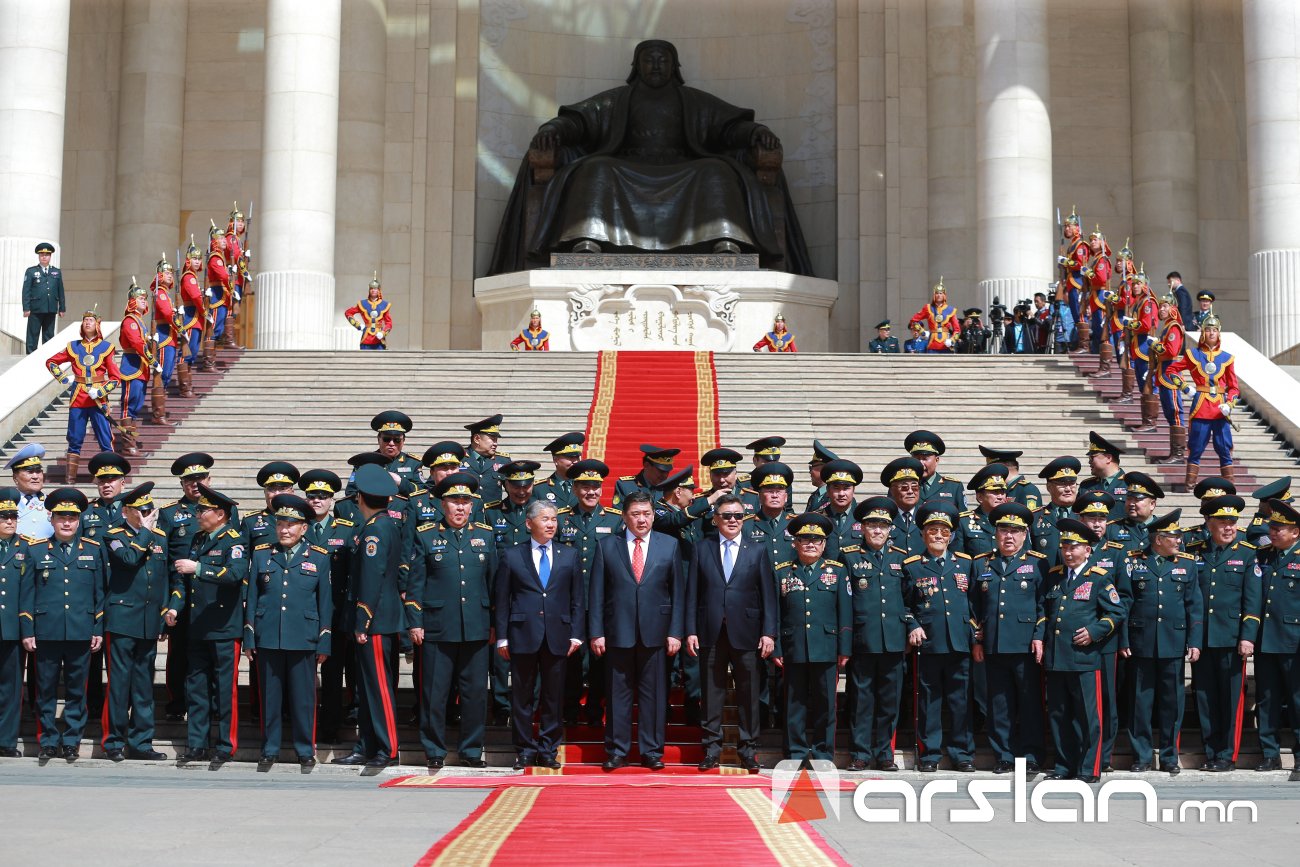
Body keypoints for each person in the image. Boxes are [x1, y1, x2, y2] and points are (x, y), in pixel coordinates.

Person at [490, 39, 813, 274]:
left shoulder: (692, 100)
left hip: (683, 167)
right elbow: (579, 121)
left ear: (674, 67)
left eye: (663, 59)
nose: (656, 65)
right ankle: (588, 239)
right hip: (626, 166)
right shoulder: (617, 100)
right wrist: (553, 129)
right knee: (596, 169)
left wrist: (755, 134)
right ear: (637, 66)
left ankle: (725, 240)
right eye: (649, 59)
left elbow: (728, 128)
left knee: (716, 171)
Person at [588, 490, 684, 771]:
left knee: (653, 695)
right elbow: (596, 594)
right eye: (636, 514)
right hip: (617, 631)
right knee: (617, 695)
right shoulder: (607, 546)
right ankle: (617, 750)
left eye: (647, 514)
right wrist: (596, 632)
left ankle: (652, 751)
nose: (642, 520)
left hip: (657, 632)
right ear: (624, 516)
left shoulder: (670, 545)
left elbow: (678, 593)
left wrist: (676, 632)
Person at [686, 494, 776, 772]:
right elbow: (692, 593)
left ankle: (747, 750)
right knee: (712, 693)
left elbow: (768, 596)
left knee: (749, 694)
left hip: (747, 632)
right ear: (715, 519)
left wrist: (769, 632)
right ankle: (711, 748)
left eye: (738, 515)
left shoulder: (757, 550)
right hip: (710, 631)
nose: (733, 520)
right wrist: (689, 630)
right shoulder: (702, 548)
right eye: (727, 515)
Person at [245, 493, 333, 770]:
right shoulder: (261, 555)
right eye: (280, 524)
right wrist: (249, 635)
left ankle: (305, 749)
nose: (284, 529)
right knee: (270, 698)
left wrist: (324, 641)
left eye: (291, 524)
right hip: (269, 635)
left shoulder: (318, 558)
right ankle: (269, 749)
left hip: (303, 637)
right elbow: (252, 597)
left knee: (303, 700)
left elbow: (325, 602)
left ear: (303, 528)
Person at [495, 500, 583, 770]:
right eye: (544, 519)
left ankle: (548, 748)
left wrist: (577, 634)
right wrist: (502, 636)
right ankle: (523, 748)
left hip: (558, 634)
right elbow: (502, 599)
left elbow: (577, 598)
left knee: (553, 696)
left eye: (554, 519)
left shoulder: (569, 554)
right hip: (522, 633)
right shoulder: (512, 555)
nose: (550, 524)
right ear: (529, 523)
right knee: (522, 696)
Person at [168, 484, 247, 767]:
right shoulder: (198, 539)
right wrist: (174, 608)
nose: (197, 513)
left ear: (221, 514)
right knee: (197, 688)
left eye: (203, 510)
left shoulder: (234, 540)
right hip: (197, 625)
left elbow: (235, 574)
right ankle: (197, 744)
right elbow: (182, 581)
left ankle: (226, 744)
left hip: (224, 626)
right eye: (198, 508)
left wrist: (199, 568)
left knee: (225, 689)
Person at [1041, 519, 1126, 782]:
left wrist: (1094, 632)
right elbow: (1046, 611)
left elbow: (1116, 612)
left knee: (1089, 717)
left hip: (1084, 659)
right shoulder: (1055, 576)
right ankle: (1064, 766)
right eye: (1065, 546)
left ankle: (1090, 768)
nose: (1068, 552)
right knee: (1059, 715)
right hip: (1057, 658)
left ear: (1087, 550)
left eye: (1074, 547)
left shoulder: (1099, 578)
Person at [23, 488, 104, 761]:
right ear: (51, 518)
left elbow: (100, 593)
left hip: (80, 632)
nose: (66, 522)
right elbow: (27, 594)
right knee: (44, 691)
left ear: (79, 520)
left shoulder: (93, 551)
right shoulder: (35, 551)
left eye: (71, 517)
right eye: (61, 517)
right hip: (46, 632)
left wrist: (97, 629)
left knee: (75, 691)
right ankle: (47, 740)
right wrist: (28, 630)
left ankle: (71, 740)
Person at [332, 464, 404, 768]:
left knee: (378, 687)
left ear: (360, 497)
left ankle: (387, 748)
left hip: (375, 622)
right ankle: (367, 745)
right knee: (365, 686)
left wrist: (363, 621)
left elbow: (372, 579)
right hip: (373, 620)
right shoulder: (378, 525)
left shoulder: (376, 529)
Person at [1121, 510, 1202, 774]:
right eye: (1173, 537)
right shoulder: (1134, 561)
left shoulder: (1187, 564)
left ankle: (1169, 756)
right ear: (1158, 539)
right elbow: (1125, 603)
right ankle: (1142, 756)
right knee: (1140, 704)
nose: (1178, 541)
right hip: (1141, 641)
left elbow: (1194, 606)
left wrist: (1194, 640)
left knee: (1172, 703)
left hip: (1173, 642)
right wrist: (1124, 638)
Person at [970, 502, 1048, 774]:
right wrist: (977, 640)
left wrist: (1039, 635)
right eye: (1004, 530)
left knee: (1029, 704)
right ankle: (1003, 754)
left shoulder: (1038, 564)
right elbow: (973, 607)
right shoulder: (982, 563)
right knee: (998, 705)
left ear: (1025, 534)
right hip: (993, 644)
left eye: (1015, 531)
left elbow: (1044, 606)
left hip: (1026, 646)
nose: (1009, 536)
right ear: (996, 533)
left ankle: (1030, 755)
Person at [1185, 495, 1258, 771]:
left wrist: (1248, 635)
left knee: (1230, 699)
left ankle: (1228, 754)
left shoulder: (1247, 554)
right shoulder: (1195, 551)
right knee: (1204, 698)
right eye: (1222, 522)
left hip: (1231, 639)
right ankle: (1211, 751)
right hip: (1202, 639)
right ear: (1208, 522)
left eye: (1233, 522)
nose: (1229, 528)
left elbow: (1252, 601)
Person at [903, 501, 976, 772]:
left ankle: (962, 754)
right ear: (923, 534)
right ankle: (930, 754)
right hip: (929, 643)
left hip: (959, 642)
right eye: (932, 531)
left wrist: (974, 634)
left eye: (944, 532)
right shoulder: (913, 566)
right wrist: (912, 624)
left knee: (960, 703)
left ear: (951, 536)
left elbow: (973, 603)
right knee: (929, 702)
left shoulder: (965, 564)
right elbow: (905, 604)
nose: (938, 536)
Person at [773, 513, 850, 767]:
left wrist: (844, 648)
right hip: (793, 646)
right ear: (794, 543)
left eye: (816, 540)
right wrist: (777, 647)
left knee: (826, 705)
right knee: (794, 704)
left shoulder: (837, 572)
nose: (810, 544)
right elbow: (776, 613)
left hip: (826, 647)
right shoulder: (783, 572)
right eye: (804, 539)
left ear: (824, 544)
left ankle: (822, 754)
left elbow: (845, 613)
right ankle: (795, 752)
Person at [101, 481, 170, 761]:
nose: (147, 515)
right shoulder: (114, 535)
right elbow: (129, 559)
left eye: (150, 509)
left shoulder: (160, 536)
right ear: (127, 512)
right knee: (119, 684)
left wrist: (164, 615)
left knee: (143, 685)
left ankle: (142, 742)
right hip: (122, 618)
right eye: (141, 511)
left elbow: (163, 577)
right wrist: (143, 532)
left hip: (148, 620)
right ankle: (114, 742)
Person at [842, 496, 911, 772]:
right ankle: (860, 753)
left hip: (893, 641)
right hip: (863, 640)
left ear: (890, 529)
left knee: (889, 702)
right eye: (872, 525)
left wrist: (908, 629)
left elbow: (908, 600)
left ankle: (884, 753)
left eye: (883, 525)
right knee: (861, 701)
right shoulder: (848, 557)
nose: (878, 531)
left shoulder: (901, 558)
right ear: (862, 528)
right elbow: (845, 603)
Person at [559, 459, 625, 726]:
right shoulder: (562, 518)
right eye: (585, 486)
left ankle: (596, 710)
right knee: (570, 659)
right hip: (569, 603)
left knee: (601, 660)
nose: (591, 492)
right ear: (575, 488)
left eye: (596, 486)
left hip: (602, 603)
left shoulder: (614, 519)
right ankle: (571, 710)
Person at [299, 469, 356, 743]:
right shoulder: (296, 528)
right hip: (303, 612)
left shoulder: (345, 530)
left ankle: (330, 728)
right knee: (302, 676)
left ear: (332, 500)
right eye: (312, 496)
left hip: (334, 613)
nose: (317, 501)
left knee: (333, 675)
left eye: (323, 496)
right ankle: (303, 728)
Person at [45, 309, 124, 483]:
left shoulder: (106, 347)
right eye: (85, 320)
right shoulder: (73, 346)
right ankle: (70, 476)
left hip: (97, 399)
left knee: (104, 437)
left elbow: (115, 377)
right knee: (74, 437)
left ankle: (108, 474)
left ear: (97, 325)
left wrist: (101, 390)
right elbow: (51, 362)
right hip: (78, 397)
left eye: (91, 320)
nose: (87, 322)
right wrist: (63, 378)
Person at [1252, 499, 1300, 780]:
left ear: (1295, 532)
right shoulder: (1264, 556)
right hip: (1265, 639)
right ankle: (1269, 754)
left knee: (1297, 701)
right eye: (1272, 527)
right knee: (1267, 699)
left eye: (1279, 528)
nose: (1273, 532)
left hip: (1294, 641)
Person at [1166, 311, 1238, 490]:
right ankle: (1190, 484)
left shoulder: (1227, 358)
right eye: (1208, 329)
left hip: (1220, 410)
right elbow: (1171, 370)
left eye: (1214, 330)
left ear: (1219, 333)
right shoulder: (1193, 354)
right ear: (1203, 333)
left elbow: (1234, 387)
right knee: (1195, 448)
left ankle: (1229, 487)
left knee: (1224, 449)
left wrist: (1229, 404)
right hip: (1201, 407)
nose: (1211, 333)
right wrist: (1185, 388)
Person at [0, 487, 29, 758]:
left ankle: (6, 740)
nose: (10, 521)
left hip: (12, 629)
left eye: (13, 516)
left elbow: (30, 593)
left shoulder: (26, 547)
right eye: (3, 516)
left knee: (11, 687)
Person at [115, 278, 152, 456]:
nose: (144, 300)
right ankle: (127, 444)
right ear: (132, 301)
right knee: (128, 404)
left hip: (141, 365)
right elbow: (137, 343)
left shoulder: (140, 321)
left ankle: (131, 441)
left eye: (145, 298)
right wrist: (151, 358)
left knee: (136, 404)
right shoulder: (130, 320)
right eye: (140, 298)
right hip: (132, 364)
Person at [1149, 292, 1189, 459]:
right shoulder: (1167, 326)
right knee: (1168, 411)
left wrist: (1155, 346)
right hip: (1163, 370)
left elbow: (1172, 350)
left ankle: (1179, 452)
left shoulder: (1174, 327)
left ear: (1173, 308)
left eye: (1165, 306)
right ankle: (1174, 451)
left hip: (1170, 370)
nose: (1161, 309)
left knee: (1174, 410)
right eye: (1161, 306)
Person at [149, 254, 181, 421]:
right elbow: (167, 314)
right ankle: (157, 413)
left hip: (170, 335)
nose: (170, 275)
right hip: (164, 334)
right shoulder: (160, 292)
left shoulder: (165, 293)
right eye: (167, 273)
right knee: (161, 374)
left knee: (167, 373)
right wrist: (179, 324)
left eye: (170, 273)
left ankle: (160, 410)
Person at [906, 430, 966, 511]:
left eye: (925, 459)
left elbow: (962, 520)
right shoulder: (900, 486)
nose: (920, 463)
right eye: (917, 458)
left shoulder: (953, 487)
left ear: (937, 460)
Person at [22, 242, 65, 354]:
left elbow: (60, 290)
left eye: (46, 255)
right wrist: (26, 308)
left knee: (49, 336)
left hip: (51, 308)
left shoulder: (56, 272)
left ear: (50, 256)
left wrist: (62, 308)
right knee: (33, 335)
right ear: (39, 256)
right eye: (42, 255)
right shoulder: (31, 271)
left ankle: (48, 358)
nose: (44, 257)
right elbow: (26, 291)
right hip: (35, 309)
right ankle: (30, 357)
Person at [881, 456, 925, 555]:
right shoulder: (884, 517)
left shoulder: (926, 515)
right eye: (904, 488)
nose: (910, 491)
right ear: (892, 490)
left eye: (914, 487)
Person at [1056, 208, 1089, 342]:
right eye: (1066, 226)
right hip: (1071, 281)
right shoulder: (1072, 245)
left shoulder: (1080, 244)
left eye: (1069, 226)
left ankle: (1084, 343)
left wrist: (1067, 261)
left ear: (1076, 227)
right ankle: (1081, 341)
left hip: (1078, 281)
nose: (1067, 228)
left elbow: (1080, 264)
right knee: (1075, 312)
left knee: (1079, 312)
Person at [1079, 430, 1128, 520]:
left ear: (1108, 458)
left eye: (1092, 457)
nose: (1089, 461)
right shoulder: (1086, 486)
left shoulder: (1129, 484)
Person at [613, 444, 680, 508]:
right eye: (661, 471)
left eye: (667, 471)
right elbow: (618, 515)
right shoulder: (626, 486)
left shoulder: (671, 489)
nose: (665, 475)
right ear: (646, 465)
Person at [464, 414, 510, 505]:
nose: (495, 444)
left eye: (496, 440)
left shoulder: (502, 461)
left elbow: (514, 490)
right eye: (493, 439)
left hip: (492, 517)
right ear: (477, 439)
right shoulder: (459, 459)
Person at [9, 444, 52, 540]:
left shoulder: (52, 503)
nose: (35, 476)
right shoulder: (6, 502)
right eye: (30, 472)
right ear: (15, 478)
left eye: (38, 471)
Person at [177, 236, 204, 387]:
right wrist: (205, 311)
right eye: (194, 258)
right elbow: (195, 297)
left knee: (192, 352)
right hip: (191, 317)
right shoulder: (189, 277)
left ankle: (187, 384)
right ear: (188, 260)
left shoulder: (194, 277)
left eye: (199, 259)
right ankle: (184, 386)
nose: (197, 261)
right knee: (187, 352)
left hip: (195, 318)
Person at [370, 410, 422, 488]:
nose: (391, 443)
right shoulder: (366, 462)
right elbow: (351, 492)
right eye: (386, 439)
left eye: (397, 440)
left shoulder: (413, 463)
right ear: (378, 439)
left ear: (403, 441)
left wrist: (401, 483)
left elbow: (421, 491)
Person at [979, 446, 1041, 511]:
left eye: (993, 469)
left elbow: (1032, 519)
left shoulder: (1027, 490)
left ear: (1003, 468)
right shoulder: (1007, 489)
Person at [533, 431, 584, 510]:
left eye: (577, 457)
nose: (575, 461)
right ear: (555, 460)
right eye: (570, 457)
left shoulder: (585, 485)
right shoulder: (540, 488)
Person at [908, 279, 961, 353]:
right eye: (937, 293)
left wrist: (952, 340)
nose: (939, 295)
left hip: (946, 344)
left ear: (944, 295)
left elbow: (957, 330)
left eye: (941, 293)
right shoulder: (928, 308)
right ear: (934, 295)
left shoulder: (951, 310)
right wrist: (922, 332)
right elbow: (913, 320)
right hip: (932, 343)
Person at [345, 273, 392, 350]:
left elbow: (389, 323)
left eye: (375, 288)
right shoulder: (363, 303)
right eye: (371, 288)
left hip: (379, 339)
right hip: (366, 338)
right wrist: (358, 325)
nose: (373, 290)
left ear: (379, 290)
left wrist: (383, 333)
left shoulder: (384, 304)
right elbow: (348, 313)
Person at [1084, 228, 1113, 354]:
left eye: (1095, 240)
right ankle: (1097, 353)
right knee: (1096, 327)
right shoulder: (1096, 259)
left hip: (1100, 295)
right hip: (1095, 295)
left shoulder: (1102, 259)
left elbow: (1101, 280)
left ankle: (1105, 354)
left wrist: (1089, 274)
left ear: (1102, 242)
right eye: (1091, 240)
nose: (1092, 242)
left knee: (1102, 327)